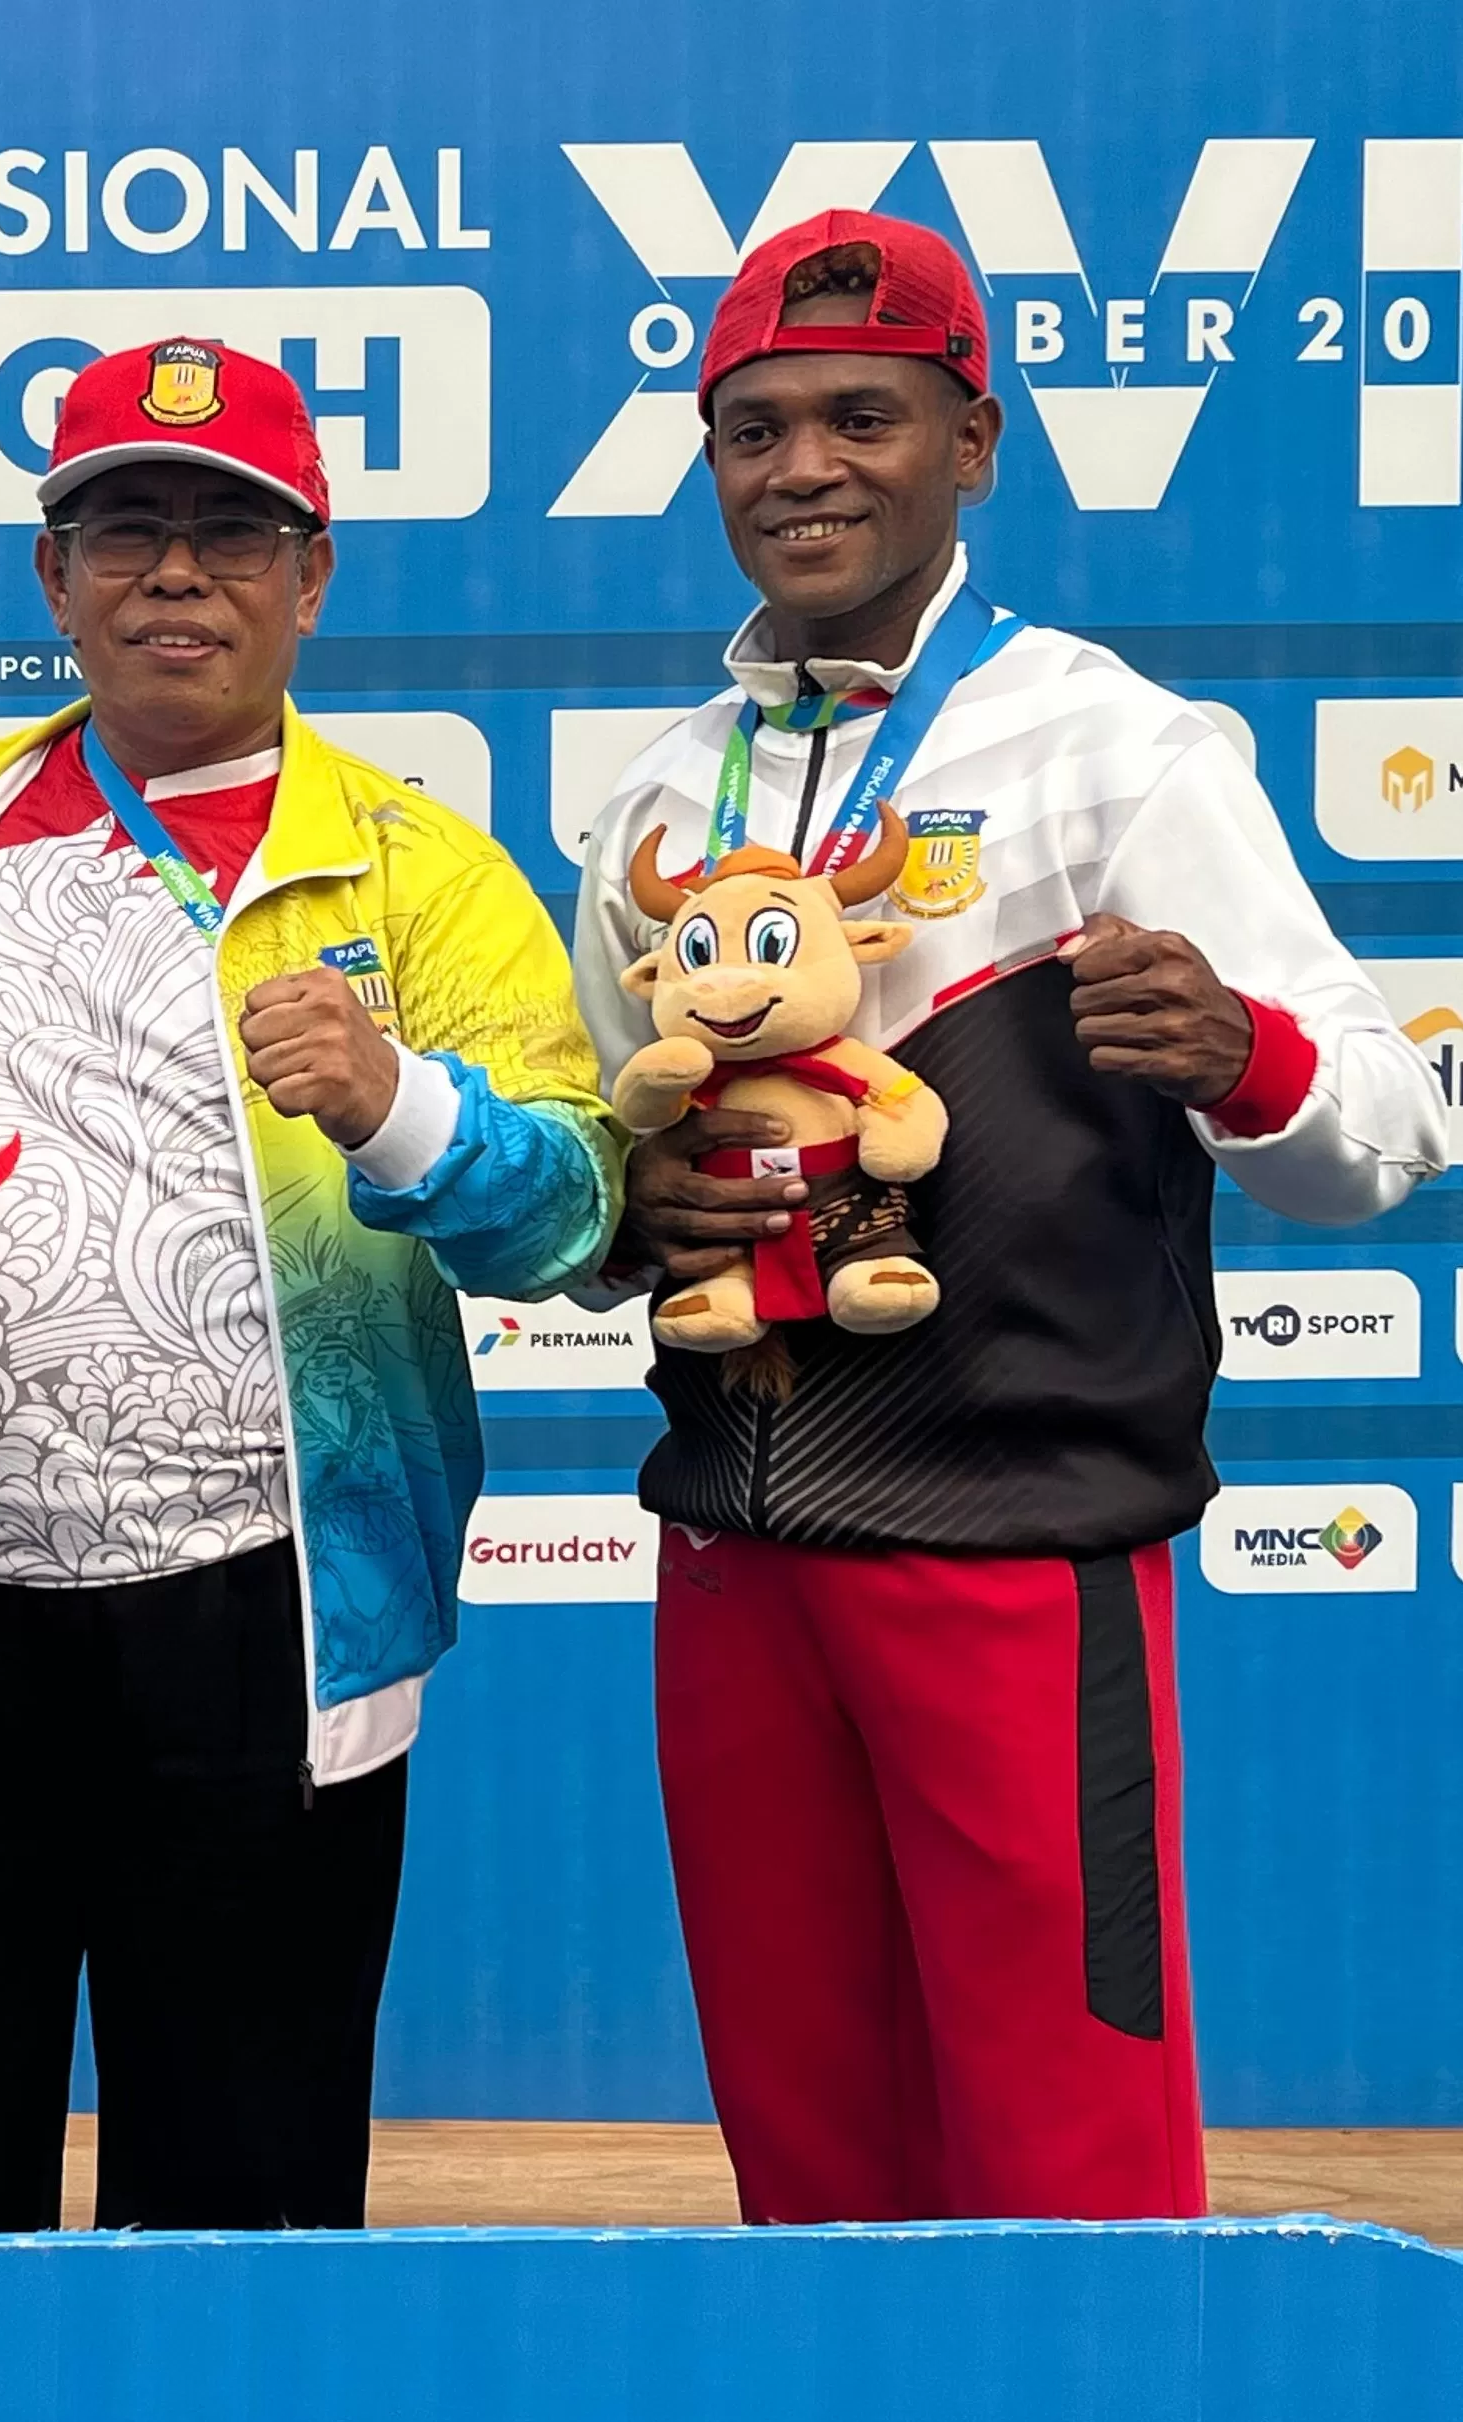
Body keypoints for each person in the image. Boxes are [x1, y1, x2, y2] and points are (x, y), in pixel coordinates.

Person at [572, 213, 1448, 2224]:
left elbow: (1385, 1125)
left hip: (1013, 1551)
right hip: (729, 1545)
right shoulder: (651, 791)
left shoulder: (1112, 746)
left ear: (974, 440)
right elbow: (629, 1188)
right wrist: (647, 1205)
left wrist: (1239, 1051)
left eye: (863, 419)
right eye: (756, 429)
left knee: (1067, 2140)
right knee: (806, 2147)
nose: (803, 469)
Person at [0, 341, 622, 2233]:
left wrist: (400, 1109)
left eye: (227, 533)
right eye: (125, 530)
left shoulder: (420, 871)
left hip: (262, 1616)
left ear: (311, 574)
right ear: (53, 575)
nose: (174, 573)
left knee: (243, 2176)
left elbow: (582, 1216)